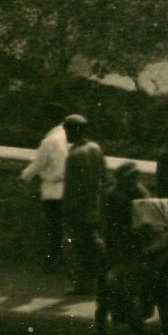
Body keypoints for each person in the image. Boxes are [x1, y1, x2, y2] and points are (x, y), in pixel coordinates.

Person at [61, 114, 107, 295]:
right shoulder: (95, 148)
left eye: (68, 130)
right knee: (92, 246)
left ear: (77, 130)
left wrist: (68, 209)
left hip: (79, 209)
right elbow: (103, 178)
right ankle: (95, 282)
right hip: (95, 206)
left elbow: (74, 188)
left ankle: (83, 284)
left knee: (79, 247)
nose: (67, 134)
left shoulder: (75, 154)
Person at [20, 116, 72, 271]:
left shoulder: (49, 141)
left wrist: (24, 176)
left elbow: (38, 163)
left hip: (53, 191)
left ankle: (51, 262)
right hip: (70, 189)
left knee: (54, 229)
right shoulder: (67, 137)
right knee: (67, 228)